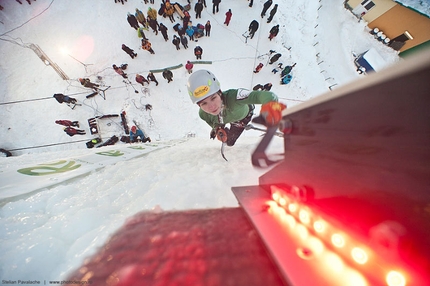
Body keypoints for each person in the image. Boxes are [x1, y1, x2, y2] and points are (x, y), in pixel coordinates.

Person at [187, 70, 286, 146]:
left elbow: (265, 96)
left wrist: (270, 105)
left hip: (243, 116)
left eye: (213, 98)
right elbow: (215, 123)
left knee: (230, 142)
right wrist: (217, 129)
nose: (211, 106)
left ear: (220, 93)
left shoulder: (234, 97)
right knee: (228, 141)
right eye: (204, 103)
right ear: (199, 106)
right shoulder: (203, 114)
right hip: (228, 117)